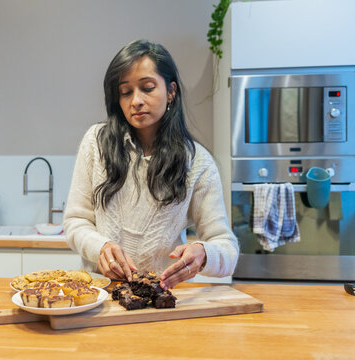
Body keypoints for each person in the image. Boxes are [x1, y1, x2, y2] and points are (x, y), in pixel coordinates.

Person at [63, 39, 238, 290]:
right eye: (125, 92)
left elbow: (227, 247)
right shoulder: (96, 143)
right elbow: (75, 222)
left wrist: (203, 252)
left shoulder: (198, 162)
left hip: (161, 300)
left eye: (147, 88)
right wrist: (101, 247)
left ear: (171, 91)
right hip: (98, 296)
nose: (136, 101)